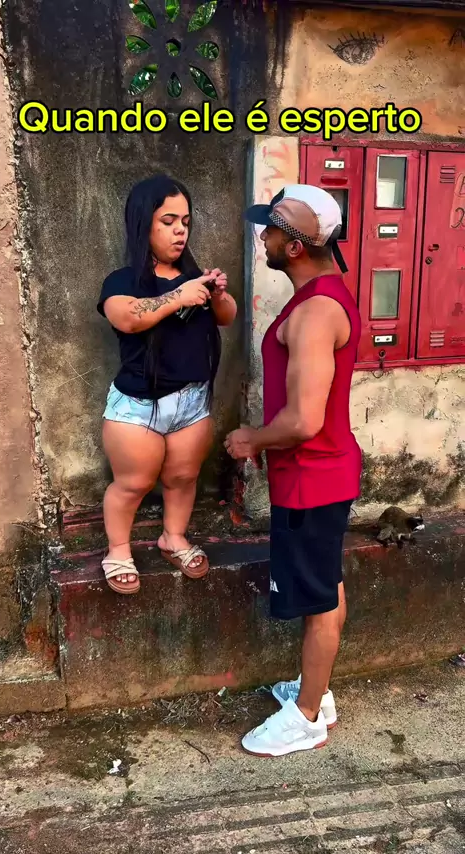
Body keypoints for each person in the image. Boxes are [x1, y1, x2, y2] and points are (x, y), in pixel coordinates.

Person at [225, 184, 362, 757]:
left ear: (298, 246)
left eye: (273, 228)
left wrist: (250, 438)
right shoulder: (322, 297)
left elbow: (304, 420)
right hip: (321, 474)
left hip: (312, 477)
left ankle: (306, 717)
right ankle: (317, 692)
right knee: (325, 585)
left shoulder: (315, 312)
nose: (263, 236)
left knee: (318, 602)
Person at [97, 174, 237, 595]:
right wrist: (180, 295)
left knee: (183, 477)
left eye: (186, 222)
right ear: (144, 224)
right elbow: (127, 317)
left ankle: (172, 538)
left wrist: (216, 294)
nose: (180, 231)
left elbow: (227, 316)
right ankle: (118, 550)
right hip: (138, 405)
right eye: (169, 221)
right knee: (133, 483)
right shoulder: (122, 280)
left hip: (192, 402)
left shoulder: (191, 276)